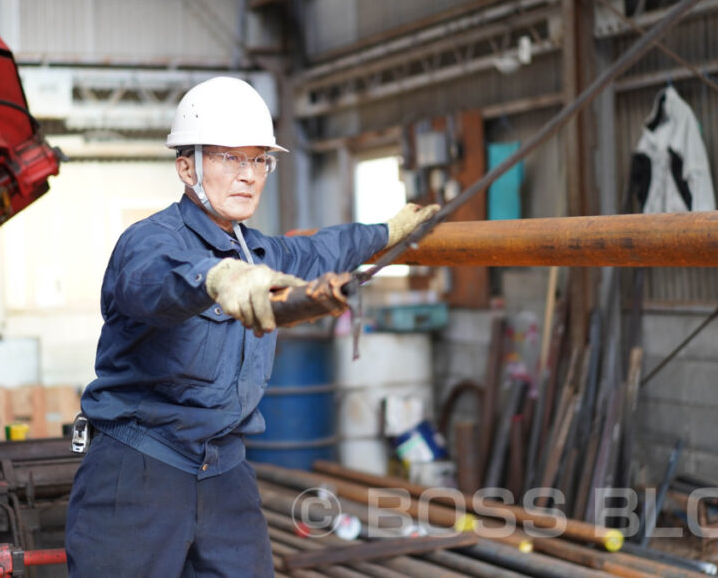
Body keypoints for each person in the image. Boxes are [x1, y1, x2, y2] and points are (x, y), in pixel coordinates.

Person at [64, 76, 438, 577]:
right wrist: (214, 278)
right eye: (228, 158)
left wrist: (388, 232)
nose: (248, 175)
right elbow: (153, 284)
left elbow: (324, 248)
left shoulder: (261, 252)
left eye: (259, 159)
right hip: (140, 472)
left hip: (224, 471)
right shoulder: (150, 242)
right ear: (186, 166)